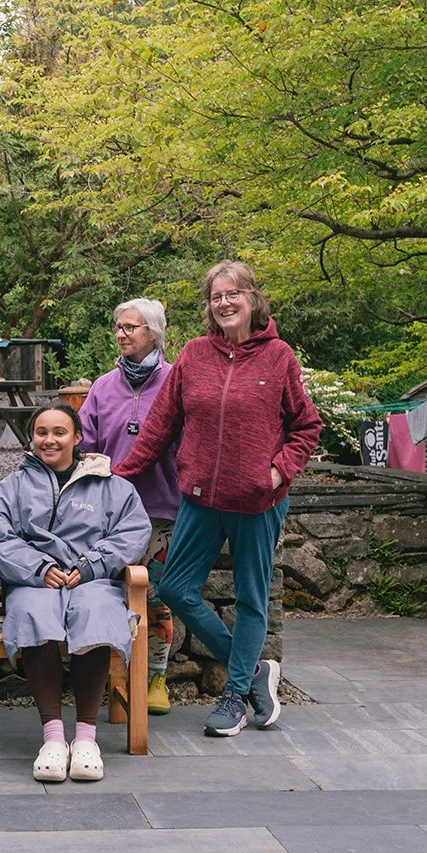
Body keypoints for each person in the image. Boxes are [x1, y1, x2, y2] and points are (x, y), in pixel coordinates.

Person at [116, 259, 322, 738]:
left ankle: (232, 697)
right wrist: (117, 477)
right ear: (209, 306)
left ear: (252, 298)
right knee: (175, 588)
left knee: (253, 598)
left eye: (233, 294)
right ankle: (251, 674)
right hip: (200, 499)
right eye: (216, 296)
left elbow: (305, 425)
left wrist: (277, 472)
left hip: (258, 503)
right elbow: (159, 428)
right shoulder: (193, 355)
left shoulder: (278, 357)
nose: (225, 302)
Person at [0, 402, 150, 784]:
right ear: (32, 438)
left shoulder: (113, 486)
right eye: (42, 432)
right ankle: (53, 738)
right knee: (32, 612)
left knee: (96, 611)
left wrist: (92, 565)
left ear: (77, 438)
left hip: (91, 579)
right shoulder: (11, 488)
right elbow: (0, 540)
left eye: (59, 432)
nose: (49, 440)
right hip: (35, 580)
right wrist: (39, 568)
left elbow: (132, 532)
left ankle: (87, 738)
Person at [80, 297, 180, 715]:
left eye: (130, 327)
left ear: (153, 333)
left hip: (164, 506)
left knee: (157, 594)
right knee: (111, 593)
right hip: (110, 513)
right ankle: (115, 679)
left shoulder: (178, 380)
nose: (121, 334)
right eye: (118, 327)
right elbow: (85, 444)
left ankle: (156, 677)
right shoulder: (103, 387)